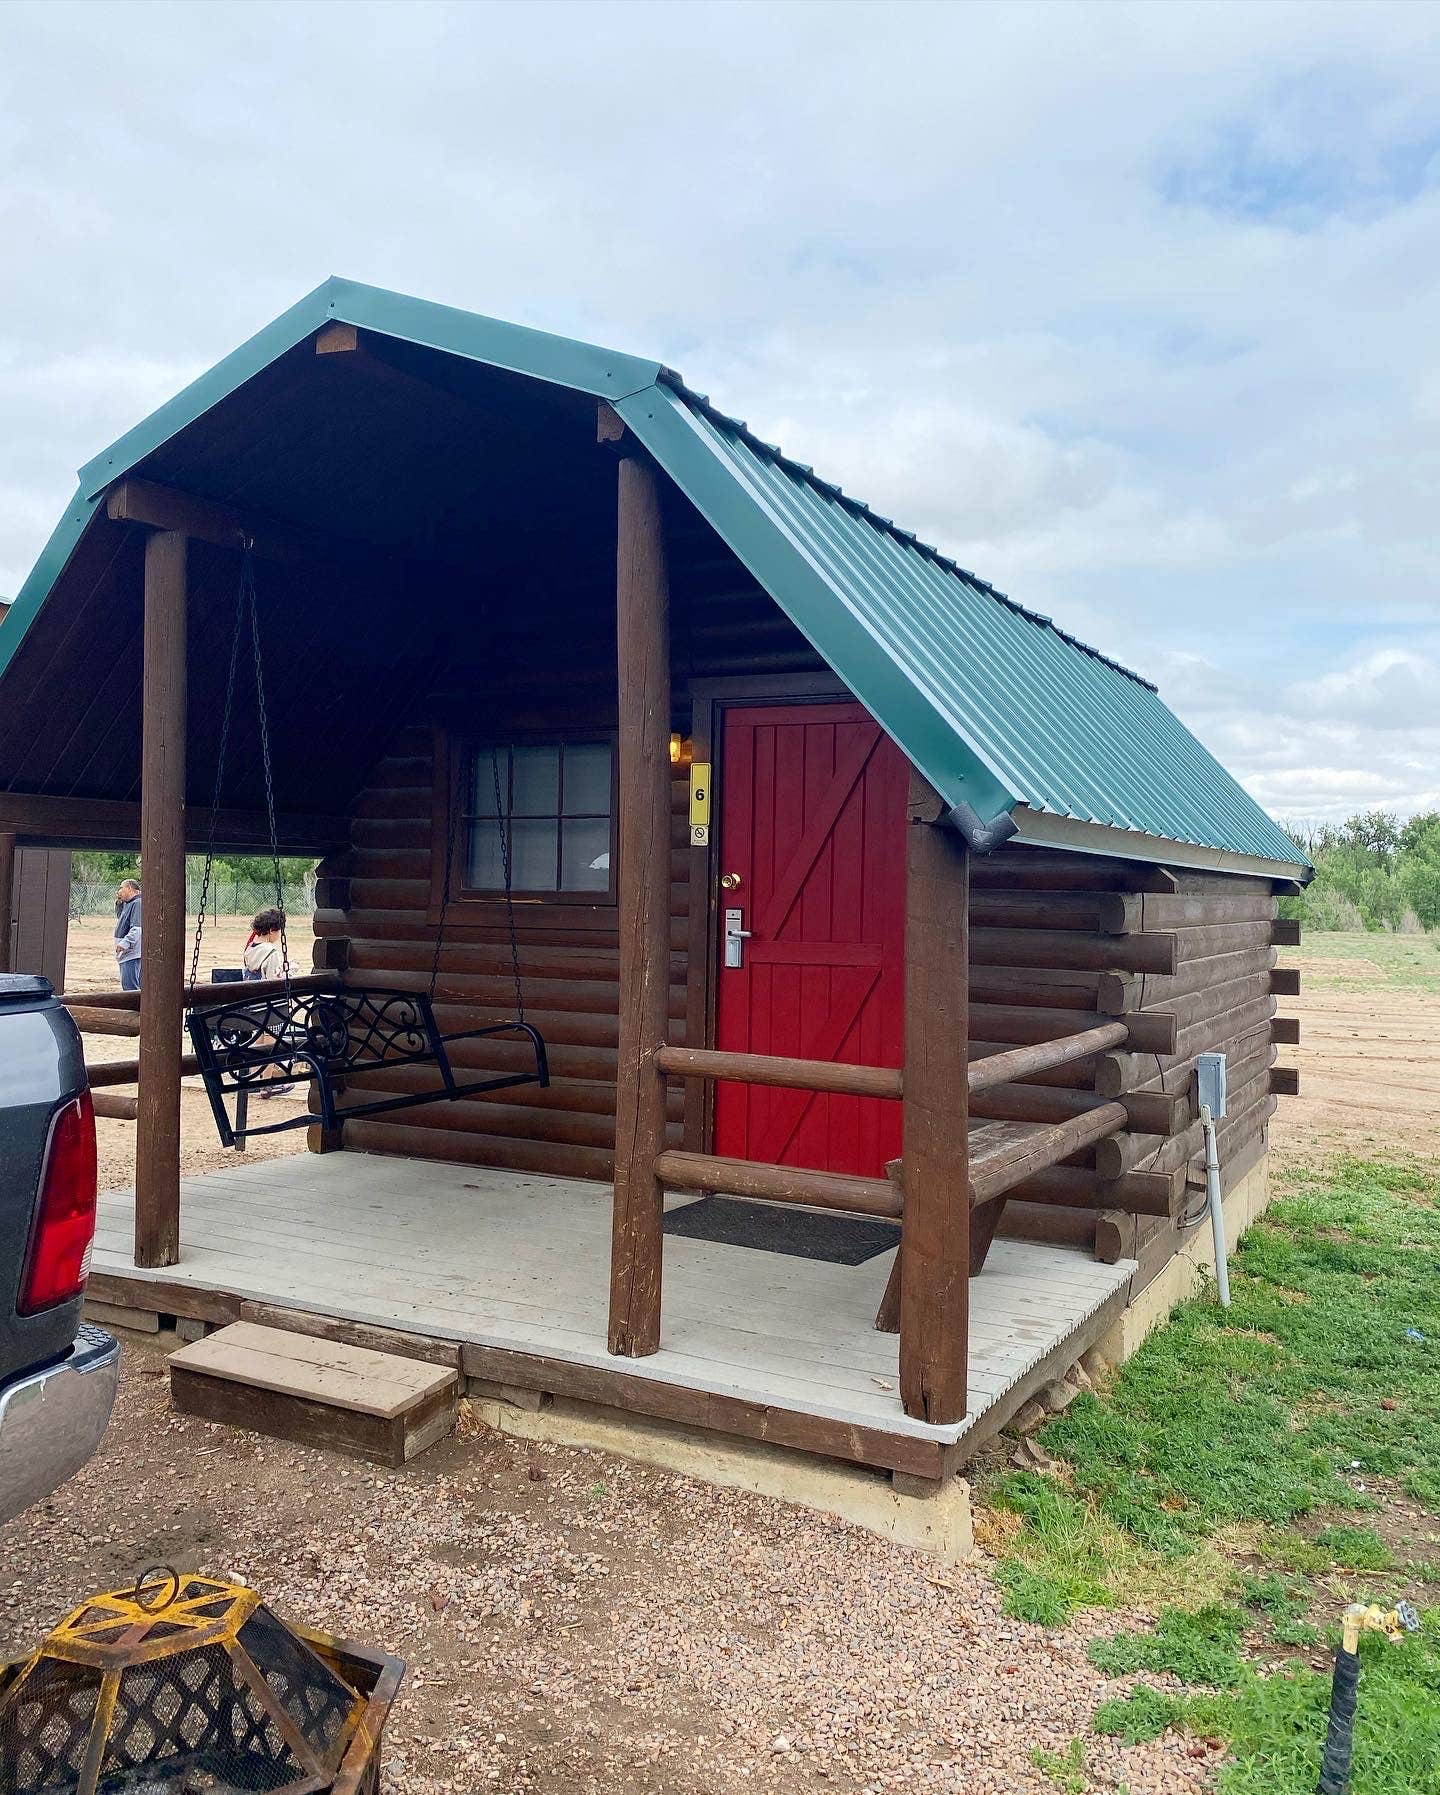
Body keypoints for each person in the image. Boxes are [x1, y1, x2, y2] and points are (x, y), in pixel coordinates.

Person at [242, 907, 297, 1097]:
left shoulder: (251, 947)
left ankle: (253, 1080)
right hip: (270, 1005)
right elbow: (274, 980)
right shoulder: (271, 952)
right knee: (271, 1042)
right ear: (273, 930)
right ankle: (267, 1084)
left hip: (253, 1003)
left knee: (257, 1040)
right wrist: (291, 971)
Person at [113, 879, 142, 991]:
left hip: (130, 953)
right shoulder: (130, 903)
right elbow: (122, 918)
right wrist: (119, 904)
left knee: (130, 988)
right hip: (128, 952)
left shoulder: (137, 903)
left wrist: (125, 943)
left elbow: (137, 928)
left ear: (129, 888)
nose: (119, 891)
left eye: (121, 888)